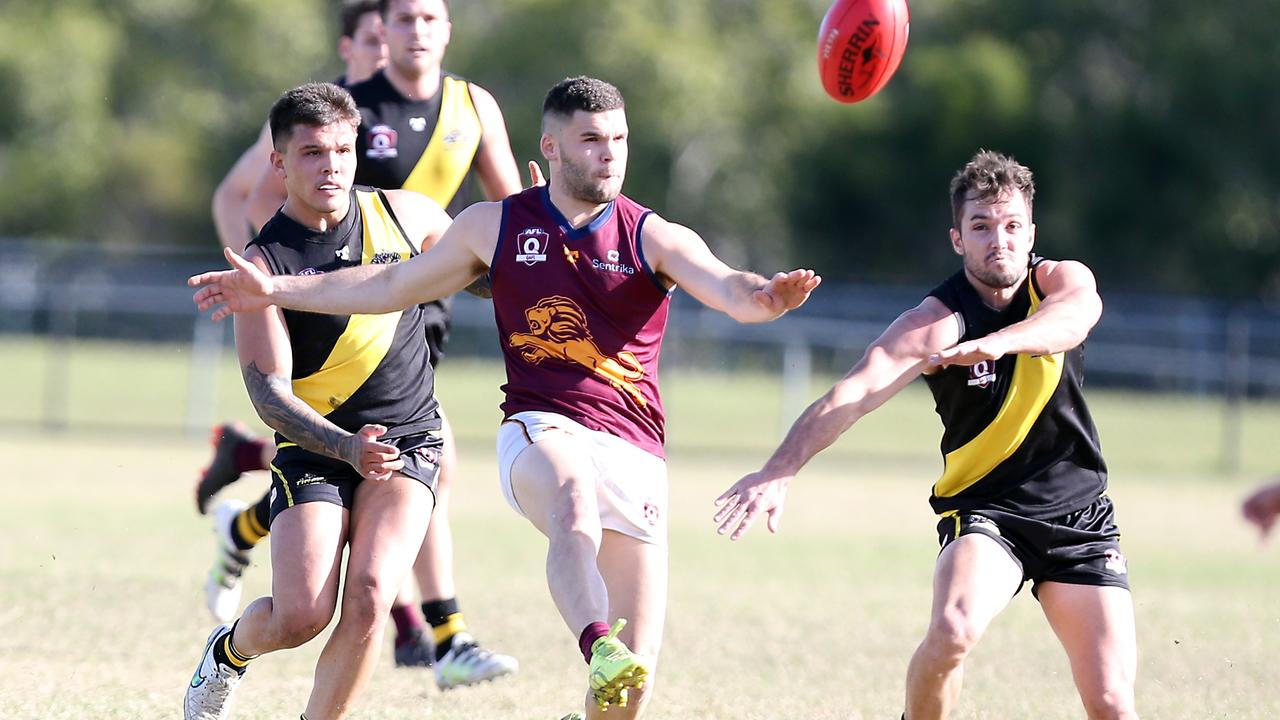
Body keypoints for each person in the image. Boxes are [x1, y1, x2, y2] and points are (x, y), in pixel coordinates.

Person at [189, 75, 821, 719]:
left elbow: (731, 287)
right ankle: (590, 640)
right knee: (315, 608)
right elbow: (386, 288)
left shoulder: (645, 234)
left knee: (622, 690)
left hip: (579, 444)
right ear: (551, 146)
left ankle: (595, 663)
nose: (610, 154)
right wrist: (275, 293)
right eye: (592, 140)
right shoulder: (475, 229)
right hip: (484, 432)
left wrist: (766, 297)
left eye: (620, 140)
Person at [713, 150, 1138, 720]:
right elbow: (851, 395)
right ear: (958, 239)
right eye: (981, 227)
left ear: (1031, 231)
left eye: (1012, 226)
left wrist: (1002, 343)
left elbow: (1075, 318)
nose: (999, 240)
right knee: (952, 631)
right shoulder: (936, 324)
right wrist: (779, 469)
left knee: (1112, 702)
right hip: (989, 513)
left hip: (1080, 516)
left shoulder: (1060, 280)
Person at [198, 0, 523, 685]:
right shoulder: (341, 115)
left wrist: (544, 244)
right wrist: (284, 273)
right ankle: (244, 628)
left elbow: (500, 240)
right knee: (301, 615)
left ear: (448, 29)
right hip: (330, 365)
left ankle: (442, 630)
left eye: (429, 18)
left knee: (380, 567)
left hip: (415, 303)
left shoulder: (467, 116)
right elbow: (244, 198)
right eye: (399, 20)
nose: (332, 165)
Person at [185, 82, 451, 720]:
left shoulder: (408, 217)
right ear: (279, 162)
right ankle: (228, 655)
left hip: (408, 441)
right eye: (310, 153)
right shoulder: (262, 264)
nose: (330, 165)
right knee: (300, 615)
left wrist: (535, 222)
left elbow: (491, 277)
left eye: (341, 149)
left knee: (369, 595)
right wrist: (344, 447)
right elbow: (269, 396)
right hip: (316, 449)